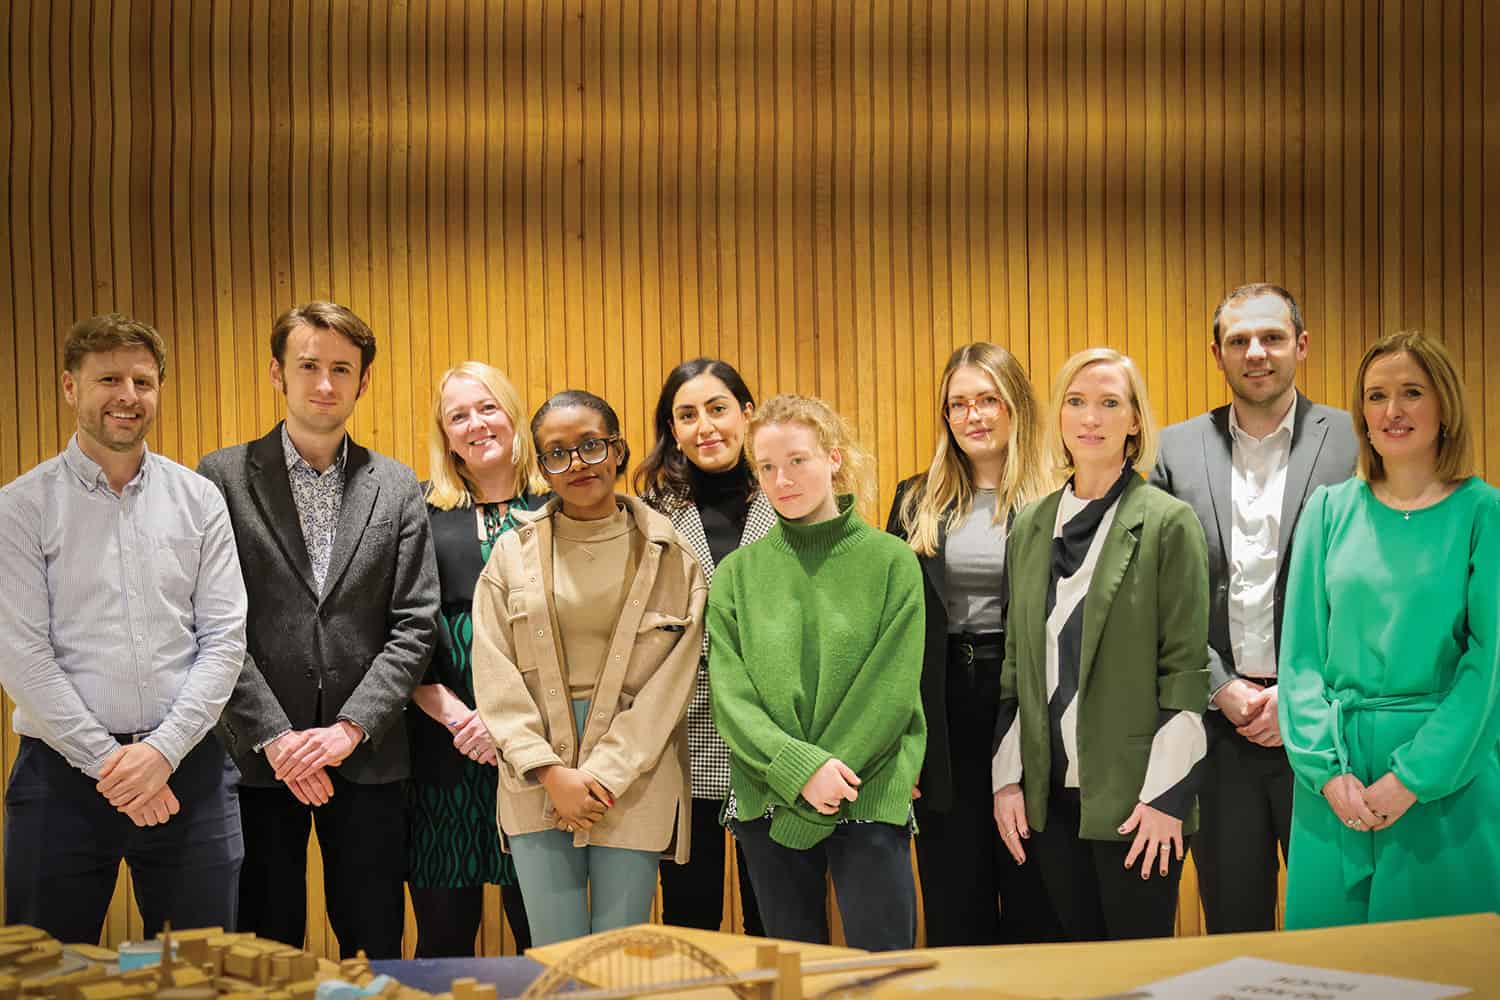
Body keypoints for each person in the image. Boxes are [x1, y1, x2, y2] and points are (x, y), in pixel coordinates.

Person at [198, 302, 439, 957]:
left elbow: (414, 625)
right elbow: (211, 622)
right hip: (254, 759)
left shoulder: (395, 487)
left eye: (341, 369)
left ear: (363, 382)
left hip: (367, 757)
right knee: (261, 946)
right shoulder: (218, 479)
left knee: (373, 942)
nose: (324, 383)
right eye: (308, 366)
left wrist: (346, 729)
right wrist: (276, 737)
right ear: (278, 373)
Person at [0, 314, 247, 943]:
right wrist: (114, 765)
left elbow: (224, 639)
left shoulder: (199, 500)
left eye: (143, 380)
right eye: (108, 378)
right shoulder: (21, 508)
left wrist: (161, 753)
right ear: (68, 387)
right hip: (61, 776)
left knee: (206, 972)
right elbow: (23, 658)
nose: (127, 396)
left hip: (187, 767)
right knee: (47, 971)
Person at [1150, 284, 1357, 933]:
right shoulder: (1172, 451)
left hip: (1330, 731)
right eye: (1239, 340)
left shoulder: (1357, 441)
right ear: (1217, 354)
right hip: (1220, 734)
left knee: (1338, 929)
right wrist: (1220, 687)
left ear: (1302, 345)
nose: (1256, 352)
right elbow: (1151, 590)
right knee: (1235, 930)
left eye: (1271, 337)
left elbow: (1369, 588)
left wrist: (1297, 699)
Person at [1278, 331, 1500, 929]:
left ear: (1444, 406)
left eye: (1411, 393)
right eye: (1377, 396)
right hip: (1335, 785)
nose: (1392, 411)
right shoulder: (1327, 512)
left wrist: (1412, 779)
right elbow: (1299, 659)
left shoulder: (1485, 513)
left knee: (1439, 969)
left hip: (1445, 779)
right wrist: (1327, 773)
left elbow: (1488, 669)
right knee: (1329, 975)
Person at [471, 390, 705, 947]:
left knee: (617, 952)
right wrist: (552, 772)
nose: (577, 464)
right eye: (557, 453)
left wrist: (603, 776)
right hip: (537, 773)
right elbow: (493, 668)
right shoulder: (510, 556)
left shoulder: (672, 555)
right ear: (542, 466)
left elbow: (674, 682)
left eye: (591, 446)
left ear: (618, 450)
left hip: (636, 773)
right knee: (555, 951)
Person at [991, 348, 1209, 942]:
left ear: (1135, 421)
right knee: (1071, 970)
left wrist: (1167, 799)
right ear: (1059, 416)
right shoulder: (1031, 524)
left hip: (1137, 799)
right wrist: (1007, 780)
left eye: (1110, 403)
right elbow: (1017, 668)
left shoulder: (1168, 522)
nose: (1092, 417)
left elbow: (1186, 673)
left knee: (1135, 974)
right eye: (1077, 401)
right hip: (1048, 797)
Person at [709, 394, 926, 952]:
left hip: (867, 791)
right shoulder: (735, 575)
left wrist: (831, 772)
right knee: (793, 975)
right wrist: (799, 770)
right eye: (767, 467)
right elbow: (732, 697)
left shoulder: (891, 561)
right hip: (770, 798)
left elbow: (891, 689)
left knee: (885, 978)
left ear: (833, 458)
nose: (783, 480)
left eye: (798, 460)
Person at [885, 343, 1060, 946]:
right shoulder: (915, 499)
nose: (973, 415)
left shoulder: (1059, 498)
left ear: (1016, 408)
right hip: (943, 709)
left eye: (988, 399)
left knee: (1034, 887)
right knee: (955, 898)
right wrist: (899, 741)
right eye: (958, 404)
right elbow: (894, 630)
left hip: (1027, 705)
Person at [407, 363, 543, 956]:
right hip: (443, 748)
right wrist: (461, 718)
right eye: (458, 415)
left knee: (541, 936)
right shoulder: (418, 511)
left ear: (512, 413)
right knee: (442, 935)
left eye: (487, 407)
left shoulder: (560, 506)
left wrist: (506, 724)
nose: (476, 423)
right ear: (444, 433)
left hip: (540, 751)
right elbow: (396, 630)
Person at [634, 358, 773, 935]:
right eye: (686, 415)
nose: (704, 427)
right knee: (690, 920)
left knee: (774, 914)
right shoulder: (650, 513)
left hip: (773, 737)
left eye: (717, 409)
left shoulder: (786, 496)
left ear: (747, 414)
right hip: (684, 740)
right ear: (672, 429)